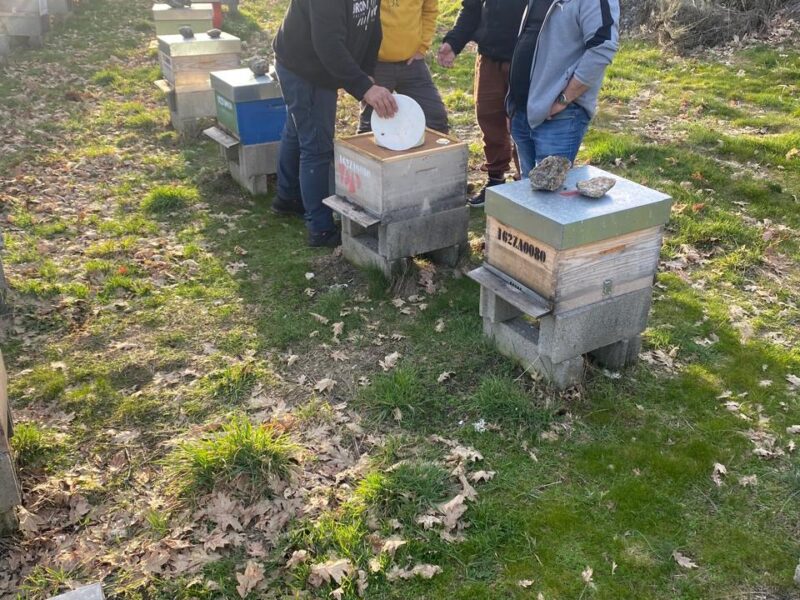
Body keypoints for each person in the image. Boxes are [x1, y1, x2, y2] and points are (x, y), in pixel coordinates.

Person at [272, 0, 398, 248]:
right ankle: (320, 229)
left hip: (322, 66)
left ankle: (287, 198)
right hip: (303, 67)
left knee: (299, 129)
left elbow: (372, 26)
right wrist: (363, 87)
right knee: (316, 145)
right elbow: (328, 43)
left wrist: (366, 72)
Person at [508, 0, 619, 178]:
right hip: (522, 111)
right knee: (527, 196)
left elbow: (602, 48)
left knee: (550, 198)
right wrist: (512, 103)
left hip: (559, 116)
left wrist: (564, 98)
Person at [438, 0, 528, 207]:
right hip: (489, 57)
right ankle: (495, 180)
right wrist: (453, 43)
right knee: (489, 118)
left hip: (526, 58)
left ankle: (526, 182)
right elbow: (471, 10)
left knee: (524, 123)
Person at [357, 0, 449, 135]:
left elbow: (430, 10)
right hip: (376, 64)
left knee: (435, 118)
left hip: (411, 62)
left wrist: (422, 47)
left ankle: (425, 155)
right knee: (371, 127)